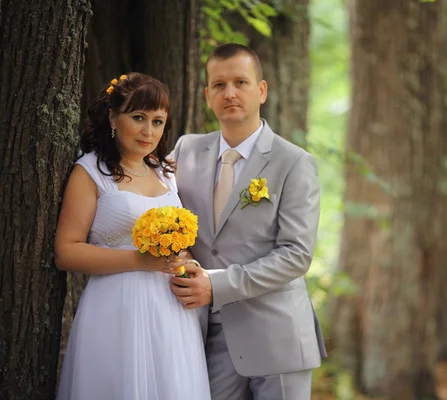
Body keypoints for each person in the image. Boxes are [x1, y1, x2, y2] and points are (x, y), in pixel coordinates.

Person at [169, 43, 327, 400]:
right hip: (204, 336)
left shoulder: (294, 163)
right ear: (207, 95)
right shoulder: (185, 151)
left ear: (262, 90)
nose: (230, 93)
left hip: (277, 336)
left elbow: (296, 255)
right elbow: (153, 210)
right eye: (220, 85)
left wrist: (217, 284)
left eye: (241, 82)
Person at [55, 72, 211, 400]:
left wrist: (187, 262)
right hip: (117, 308)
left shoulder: (164, 172)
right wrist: (138, 261)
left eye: (157, 121)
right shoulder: (90, 171)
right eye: (138, 118)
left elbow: (177, 244)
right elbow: (66, 252)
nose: (147, 131)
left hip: (170, 312)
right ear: (113, 117)